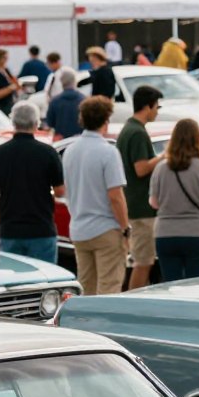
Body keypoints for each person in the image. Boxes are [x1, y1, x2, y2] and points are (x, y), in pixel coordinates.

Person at [62, 96, 131, 295]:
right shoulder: (108, 152)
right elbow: (115, 195)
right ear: (106, 120)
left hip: (79, 228)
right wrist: (125, 228)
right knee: (109, 287)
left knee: (86, 287)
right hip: (105, 228)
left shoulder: (70, 150)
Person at [0, 102, 64, 264]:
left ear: (13, 123)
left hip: (10, 228)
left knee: (15, 283)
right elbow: (60, 191)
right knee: (45, 281)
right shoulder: (48, 153)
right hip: (41, 227)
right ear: (36, 123)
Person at [149, 118, 199, 281]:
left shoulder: (161, 168)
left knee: (171, 285)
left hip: (166, 233)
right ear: (198, 139)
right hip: (198, 232)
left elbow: (154, 202)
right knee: (196, 285)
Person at [114, 84, 163, 290]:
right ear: (148, 106)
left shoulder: (128, 129)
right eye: (156, 107)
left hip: (132, 204)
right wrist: (163, 157)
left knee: (141, 260)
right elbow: (141, 169)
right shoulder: (137, 133)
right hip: (141, 207)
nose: (157, 111)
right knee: (143, 262)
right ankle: (135, 298)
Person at [45, 67, 85, 141]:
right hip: (80, 139)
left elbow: (50, 123)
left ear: (62, 82)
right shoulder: (84, 100)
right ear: (75, 81)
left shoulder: (54, 101)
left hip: (61, 142)